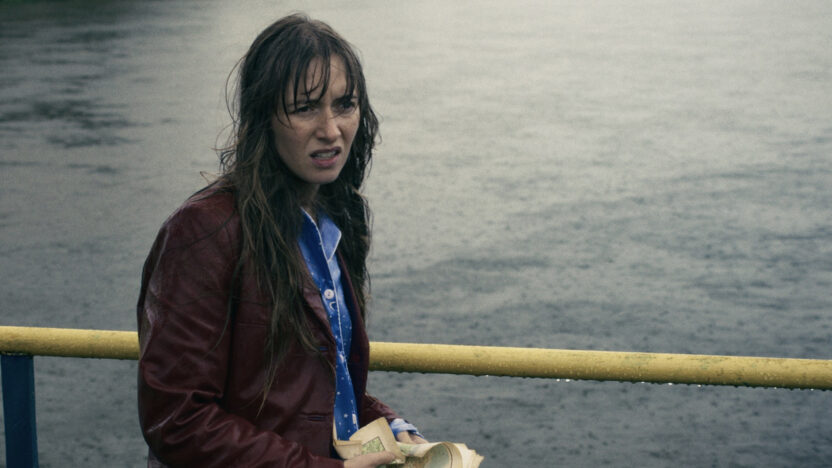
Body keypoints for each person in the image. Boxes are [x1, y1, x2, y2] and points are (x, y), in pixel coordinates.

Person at [136, 14, 425, 467]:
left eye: (344, 104)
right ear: (263, 117)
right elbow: (177, 420)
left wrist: (390, 425)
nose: (330, 129)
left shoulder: (337, 220)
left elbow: (317, 386)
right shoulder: (205, 231)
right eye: (305, 108)